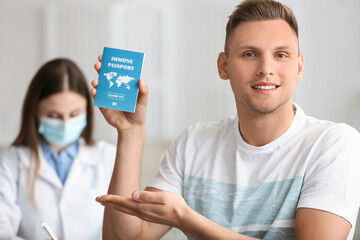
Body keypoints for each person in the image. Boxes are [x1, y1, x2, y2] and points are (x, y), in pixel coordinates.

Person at [93, 0, 360, 239]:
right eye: (249, 54)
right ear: (224, 66)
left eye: (281, 55)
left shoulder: (334, 144)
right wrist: (131, 132)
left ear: (298, 67)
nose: (266, 69)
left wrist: (187, 220)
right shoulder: (193, 144)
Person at [0, 58, 116, 240]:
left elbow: (124, 228)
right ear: (35, 111)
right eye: (54, 116)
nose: (65, 123)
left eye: (75, 114)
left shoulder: (108, 156)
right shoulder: (10, 162)